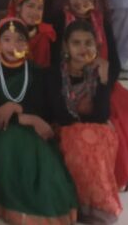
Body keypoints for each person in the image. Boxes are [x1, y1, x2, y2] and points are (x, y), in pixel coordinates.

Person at [56, 0, 128, 192]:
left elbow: (114, 61)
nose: (79, 1)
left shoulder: (100, 21)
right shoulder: (59, 21)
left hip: (102, 81)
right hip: (71, 83)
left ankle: (124, 172)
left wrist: (104, 83)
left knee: (122, 105)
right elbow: (56, 61)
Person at [0, 17, 77, 224]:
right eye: (7, 39)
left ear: (28, 43)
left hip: (32, 127)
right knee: (16, 144)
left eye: (19, 40)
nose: (13, 46)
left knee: (44, 154)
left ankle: (50, 207)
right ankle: (19, 207)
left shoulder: (36, 71)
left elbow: (44, 107)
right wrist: (23, 117)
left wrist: (18, 109)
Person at [48, 19, 122, 224]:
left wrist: (104, 80)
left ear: (96, 46)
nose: (83, 48)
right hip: (65, 128)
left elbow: (102, 114)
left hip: (96, 129)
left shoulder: (99, 72)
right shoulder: (54, 74)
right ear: (66, 47)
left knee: (98, 137)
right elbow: (61, 115)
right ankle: (82, 204)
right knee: (83, 140)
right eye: (76, 43)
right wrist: (84, 124)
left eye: (88, 43)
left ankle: (98, 206)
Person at [7, 0, 56, 68]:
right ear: (18, 7)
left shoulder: (46, 33)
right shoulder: (6, 32)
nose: (35, 12)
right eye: (30, 6)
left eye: (40, 8)